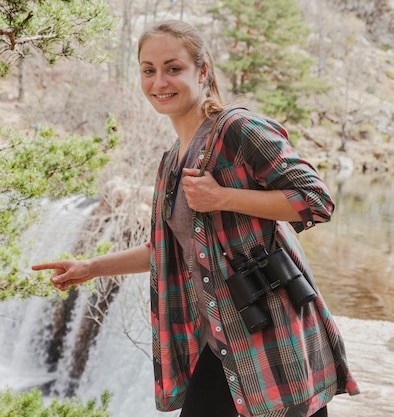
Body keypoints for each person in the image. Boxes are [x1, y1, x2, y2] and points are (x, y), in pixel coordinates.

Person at [32, 20, 359, 417]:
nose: (159, 82)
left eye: (173, 68)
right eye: (148, 70)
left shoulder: (238, 129)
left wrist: (222, 197)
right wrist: (91, 267)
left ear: (202, 72)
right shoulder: (172, 160)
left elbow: (316, 199)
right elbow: (168, 251)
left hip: (273, 343)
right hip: (217, 342)